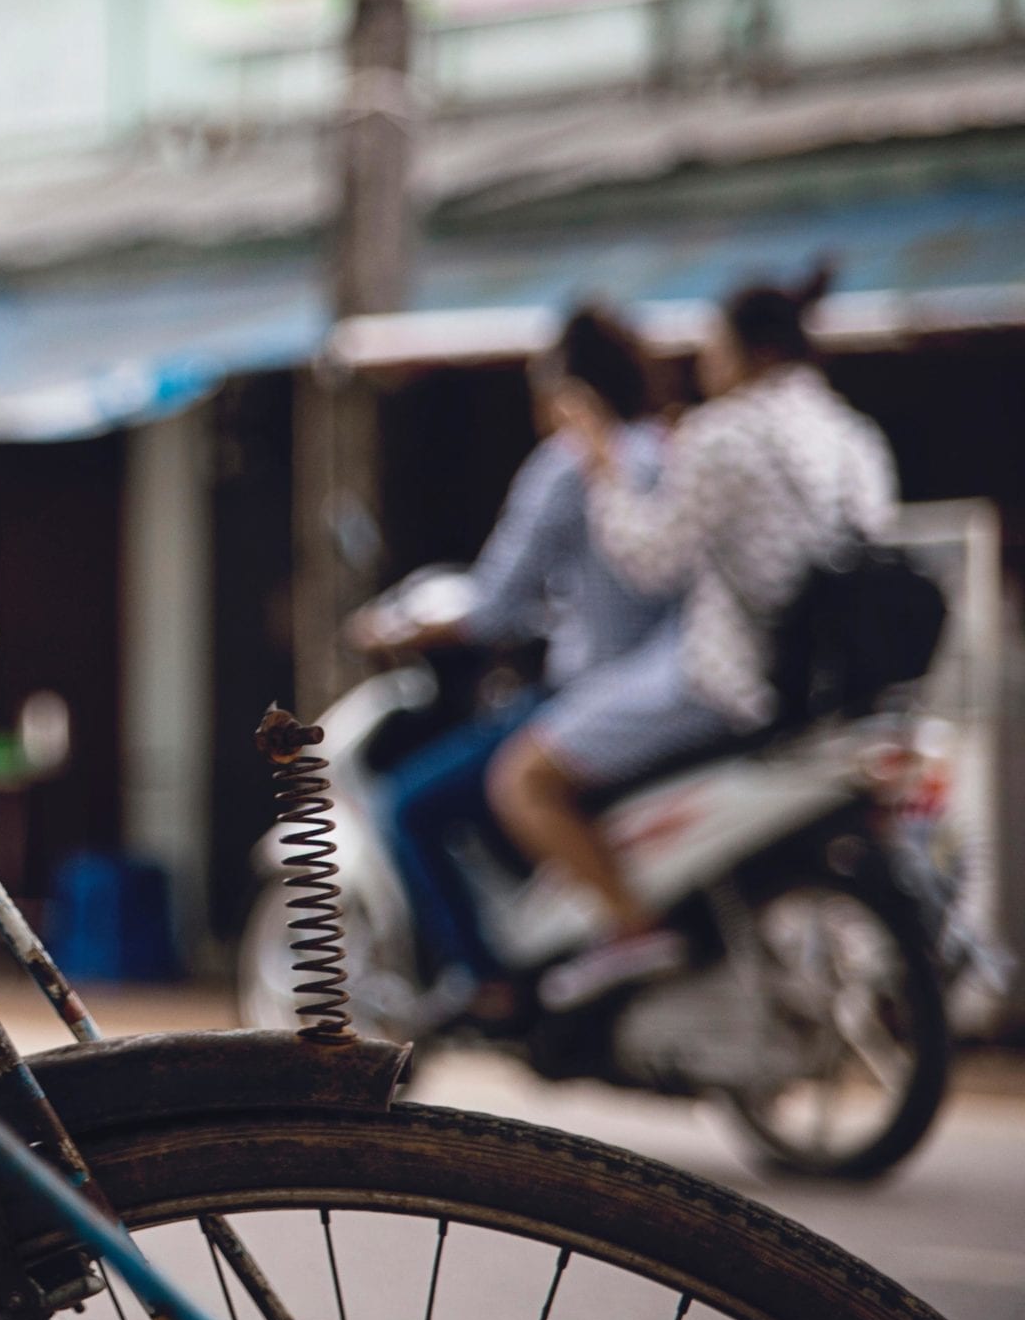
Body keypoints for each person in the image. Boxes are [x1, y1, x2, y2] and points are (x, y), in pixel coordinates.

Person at [492, 261, 895, 1009]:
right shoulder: (857, 437)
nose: (705, 363)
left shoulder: (720, 434)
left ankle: (631, 926)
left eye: (715, 344)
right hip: (830, 687)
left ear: (754, 352)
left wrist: (603, 457)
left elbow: (649, 561)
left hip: (728, 675)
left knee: (522, 778)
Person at [351, 305, 673, 1025]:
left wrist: (400, 627)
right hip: (667, 685)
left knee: (408, 803)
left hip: (597, 695)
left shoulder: (572, 463)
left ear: (567, 388)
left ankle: (487, 980)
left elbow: (493, 604)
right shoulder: (667, 450)